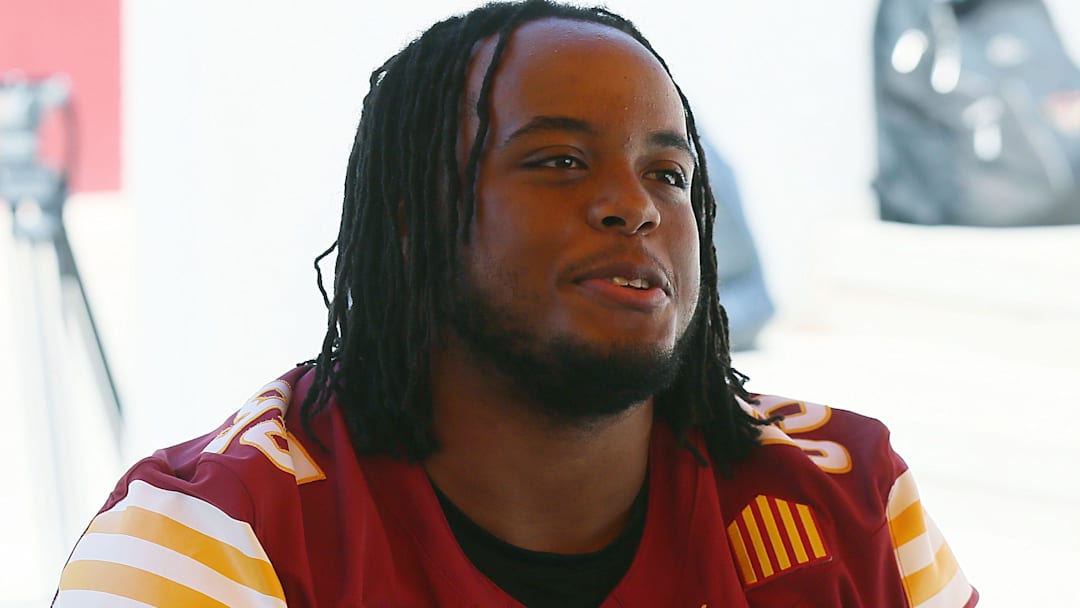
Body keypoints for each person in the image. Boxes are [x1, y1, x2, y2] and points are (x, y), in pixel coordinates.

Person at [53, 2, 978, 606]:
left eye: (669, 172)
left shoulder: (851, 498)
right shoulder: (212, 537)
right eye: (559, 161)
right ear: (413, 220)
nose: (637, 205)